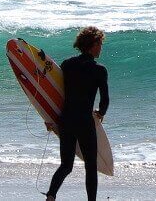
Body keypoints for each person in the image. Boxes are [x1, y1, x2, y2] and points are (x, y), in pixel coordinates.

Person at [45, 27, 110, 201]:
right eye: (100, 44)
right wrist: (101, 113)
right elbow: (105, 100)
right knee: (90, 166)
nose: (101, 48)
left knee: (66, 165)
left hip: (66, 120)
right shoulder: (100, 70)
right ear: (94, 44)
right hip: (84, 122)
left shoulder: (67, 64)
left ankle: (51, 195)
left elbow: (57, 92)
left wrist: (50, 118)